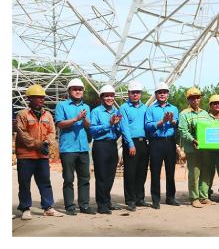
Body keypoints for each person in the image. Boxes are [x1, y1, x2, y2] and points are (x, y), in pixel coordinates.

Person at [15, 84, 61, 220]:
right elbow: (22, 133)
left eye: (42, 97)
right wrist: (38, 144)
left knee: (45, 182)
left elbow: (52, 131)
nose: (42, 100)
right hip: (26, 155)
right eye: (38, 97)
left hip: (42, 155)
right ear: (30, 98)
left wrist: (47, 142)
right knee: (24, 183)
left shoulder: (47, 115)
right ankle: (25, 208)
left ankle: (48, 207)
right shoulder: (22, 114)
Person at [89, 85, 134, 214]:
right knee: (101, 176)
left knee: (110, 176)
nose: (109, 98)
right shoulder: (96, 112)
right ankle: (101, 204)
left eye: (111, 95)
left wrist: (117, 126)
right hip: (100, 145)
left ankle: (107, 201)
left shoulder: (117, 112)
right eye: (106, 95)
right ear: (102, 97)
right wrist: (109, 124)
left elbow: (119, 131)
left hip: (112, 145)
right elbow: (92, 130)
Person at [54, 78, 94, 215]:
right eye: (75, 89)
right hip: (68, 149)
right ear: (69, 91)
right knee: (69, 179)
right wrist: (76, 119)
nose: (78, 91)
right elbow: (60, 124)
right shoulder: (62, 105)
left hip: (83, 148)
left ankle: (84, 205)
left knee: (84, 179)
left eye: (80, 89)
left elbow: (89, 127)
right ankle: (70, 206)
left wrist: (84, 119)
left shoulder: (86, 107)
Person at [144, 82, 180, 209]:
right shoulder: (150, 109)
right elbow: (147, 126)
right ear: (156, 94)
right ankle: (155, 199)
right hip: (156, 142)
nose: (162, 94)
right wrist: (161, 122)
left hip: (170, 141)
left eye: (164, 92)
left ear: (168, 94)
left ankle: (171, 197)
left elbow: (178, 125)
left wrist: (172, 121)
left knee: (171, 171)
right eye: (160, 92)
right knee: (155, 171)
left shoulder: (174, 109)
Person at [178, 87, 212, 207]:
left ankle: (204, 196)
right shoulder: (184, 114)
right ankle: (194, 198)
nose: (195, 100)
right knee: (194, 173)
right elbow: (183, 130)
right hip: (192, 149)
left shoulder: (205, 113)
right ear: (188, 99)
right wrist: (193, 140)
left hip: (205, 148)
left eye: (197, 97)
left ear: (200, 99)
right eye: (192, 98)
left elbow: (210, 129)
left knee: (205, 173)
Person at [119, 81, 149, 211]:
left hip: (144, 143)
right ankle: (130, 200)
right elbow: (124, 127)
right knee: (130, 172)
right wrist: (130, 144)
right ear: (129, 94)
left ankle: (139, 198)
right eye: (133, 92)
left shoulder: (145, 108)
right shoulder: (124, 108)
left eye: (137, 92)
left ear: (140, 94)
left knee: (142, 172)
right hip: (131, 143)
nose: (135, 95)